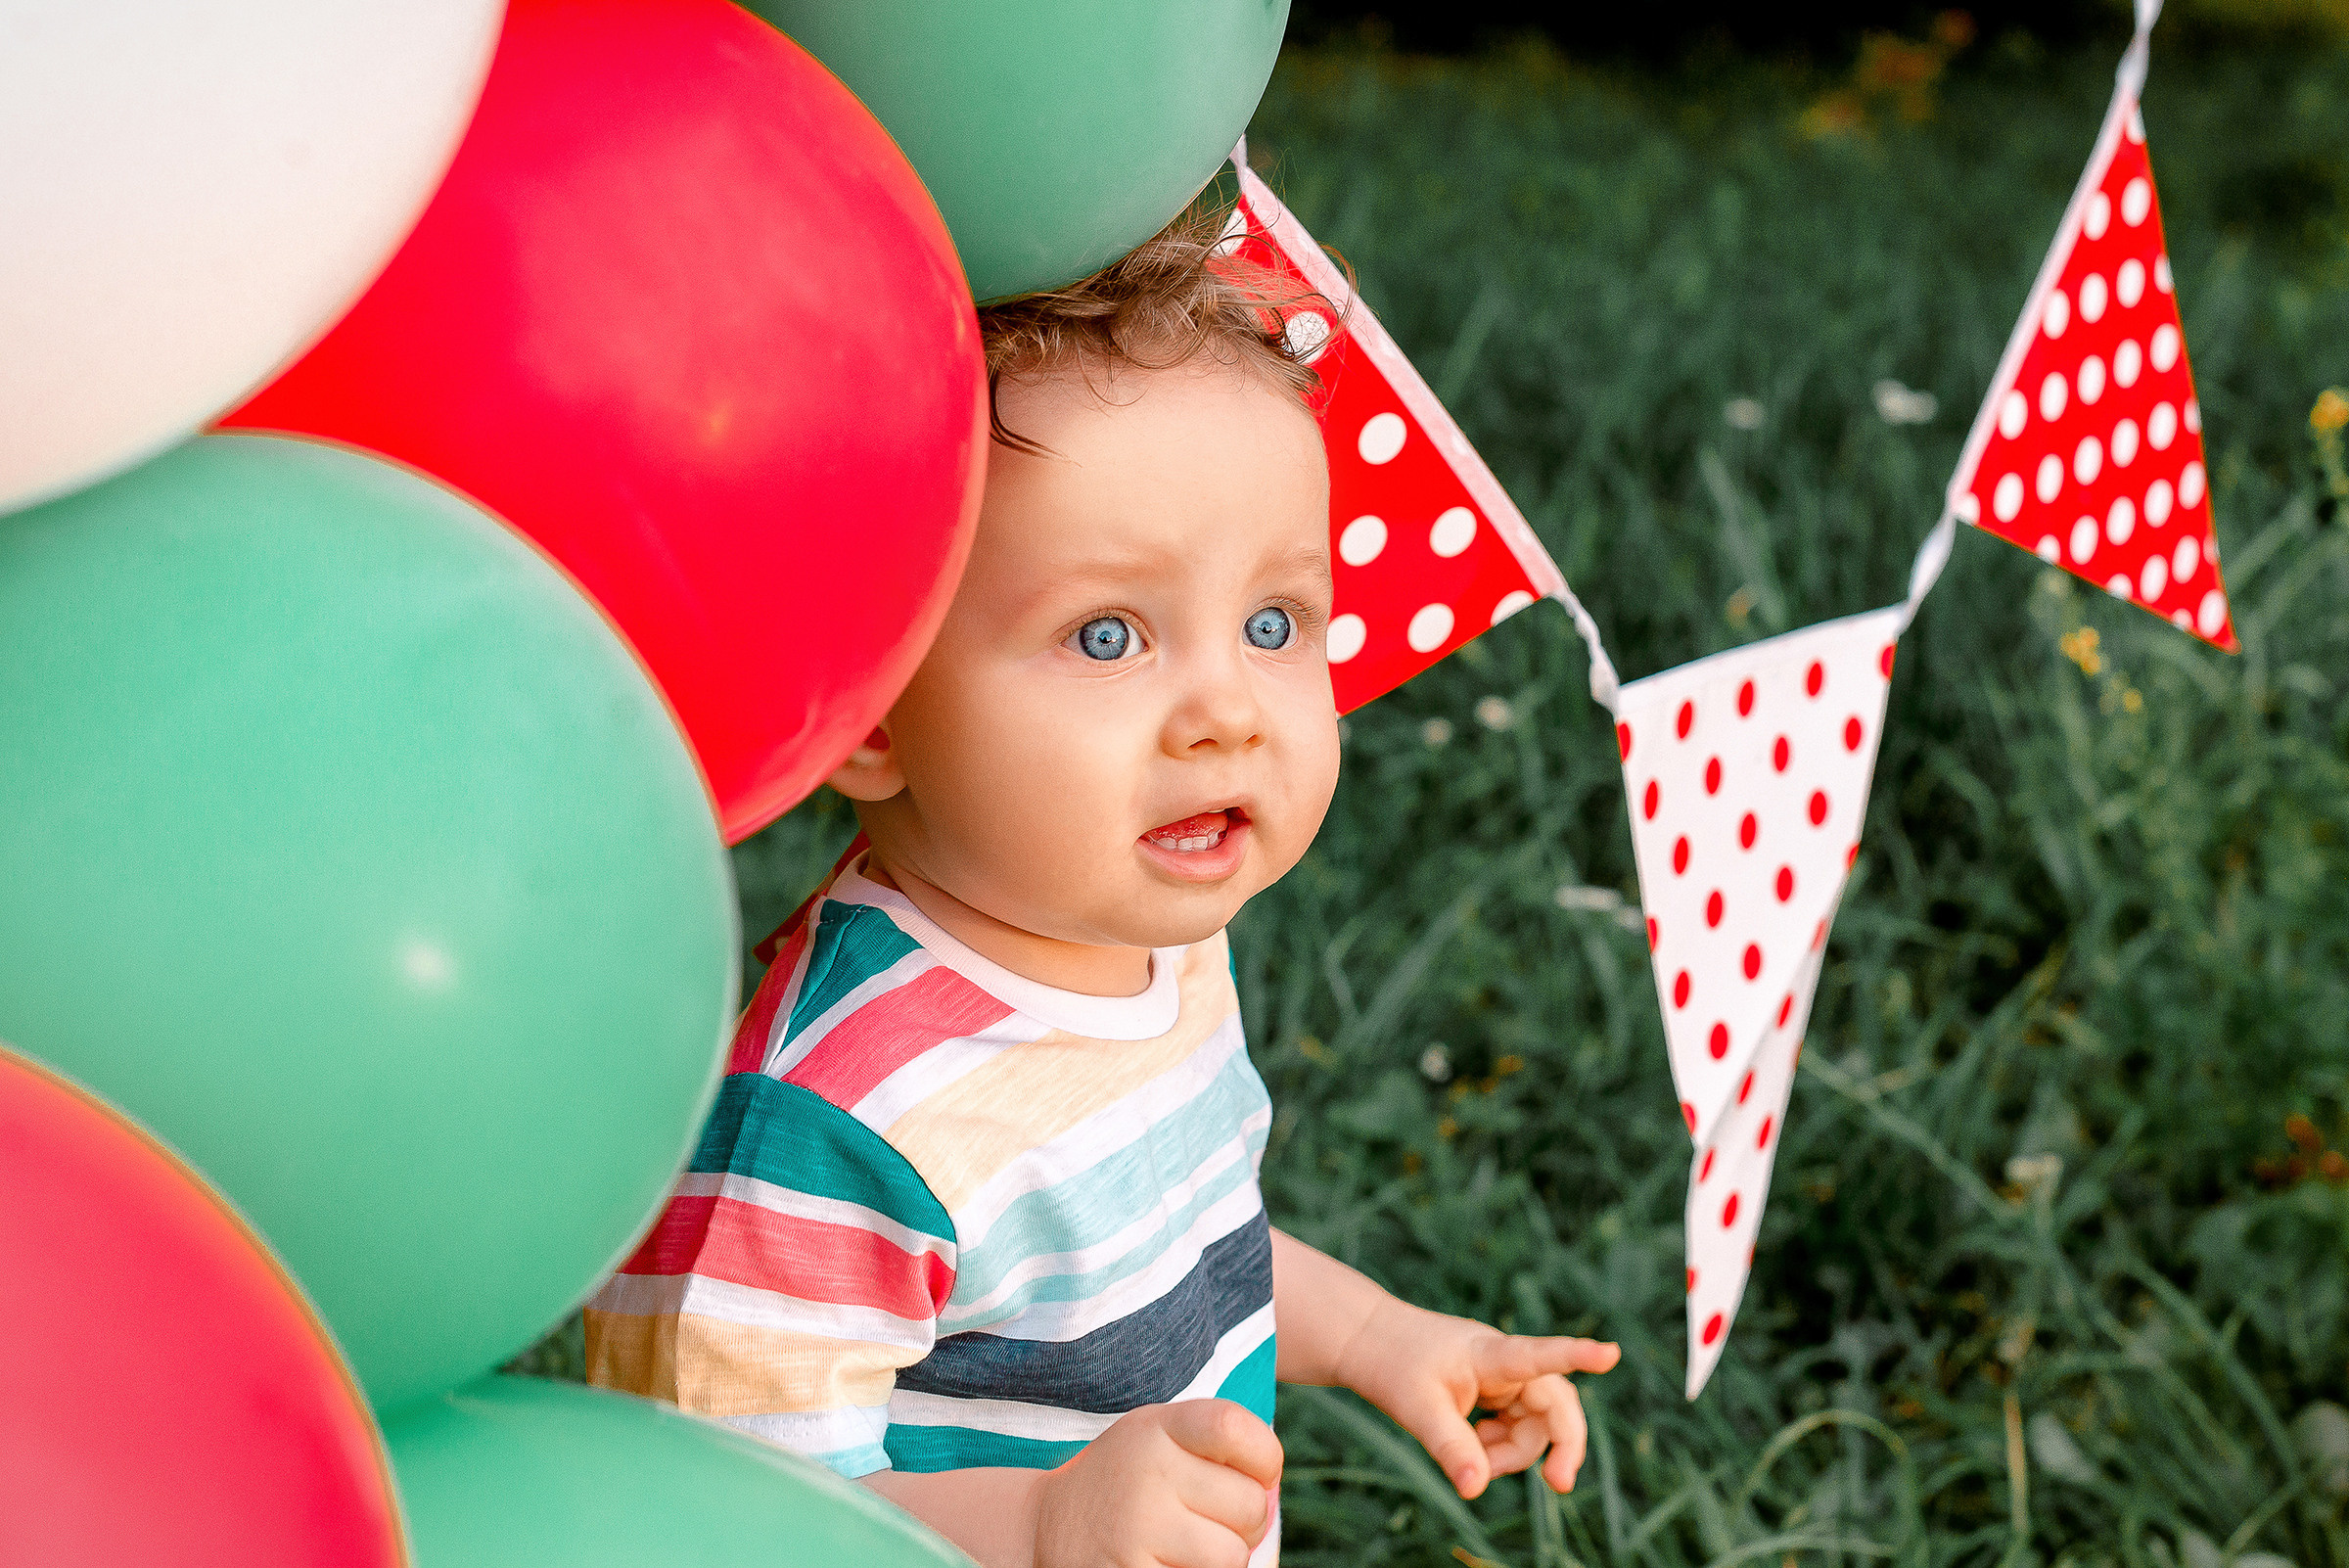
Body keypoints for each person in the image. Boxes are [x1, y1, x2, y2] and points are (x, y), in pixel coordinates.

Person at [584, 202, 1619, 1568]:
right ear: (874, 707)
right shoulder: (831, 1126)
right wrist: (1040, 1521)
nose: (1227, 712)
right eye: (1109, 634)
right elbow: (725, 1516)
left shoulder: (1165, 950)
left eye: (1272, 623)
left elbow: (1185, 1257)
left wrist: (1382, 1336)